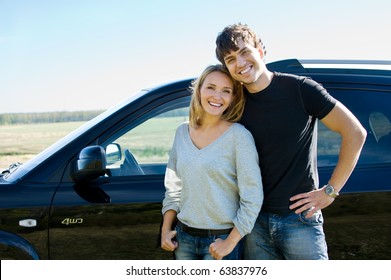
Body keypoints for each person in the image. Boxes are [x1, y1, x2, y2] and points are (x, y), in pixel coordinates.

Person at [215, 23, 367, 260]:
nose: (240, 63)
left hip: (300, 219)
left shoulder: (300, 89)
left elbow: (355, 132)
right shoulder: (235, 104)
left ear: (260, 51)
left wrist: (330, 191)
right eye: (231, 59)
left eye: (245, 52)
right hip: (253, 223)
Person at [161, 64, 263, 260]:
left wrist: (230, 243)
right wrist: (166, 229)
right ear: (199, 89)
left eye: (226, 91)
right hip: (183, 240)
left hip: (221, 240)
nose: (217, 96)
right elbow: (174, 187)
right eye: (211, 87)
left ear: (233, 98)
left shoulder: (239, 136)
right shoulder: (182, 132)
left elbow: (252, 196)